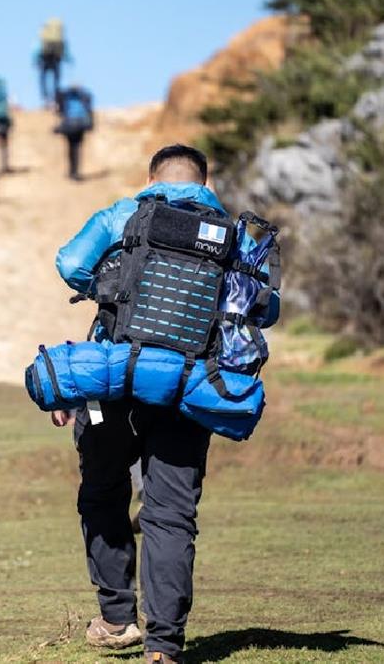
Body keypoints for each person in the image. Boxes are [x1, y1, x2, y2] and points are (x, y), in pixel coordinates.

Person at [53, 145, 261, 663]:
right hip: (189, 387)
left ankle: (118, 620)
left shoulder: (123, 213)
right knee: (170, 515)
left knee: (103, 493)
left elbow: (70, 262)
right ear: (205, 181)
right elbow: (264, 305)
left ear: (150, 178)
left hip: (114, 380)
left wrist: (112, 289)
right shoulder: (231, 233)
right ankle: (164, 649)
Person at [55, 85, 93, 180]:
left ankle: (72, 171)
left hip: (69, 126)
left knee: (70, 148)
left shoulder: (66, 97)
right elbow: (89, 110)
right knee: (76, 148)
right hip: (80, 126)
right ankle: (75, 171)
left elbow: (60, 111)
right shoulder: (83, 97)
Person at [36, 18, 71, 106]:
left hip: (44, 60)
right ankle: (55, 98)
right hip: (56, 60)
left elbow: (37, 49)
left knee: (43, 80)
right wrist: (68, 59)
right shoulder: (59, 38)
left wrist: (36, 61)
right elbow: (65, 51)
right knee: (56, 81)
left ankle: (45, 98)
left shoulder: (44, 37)